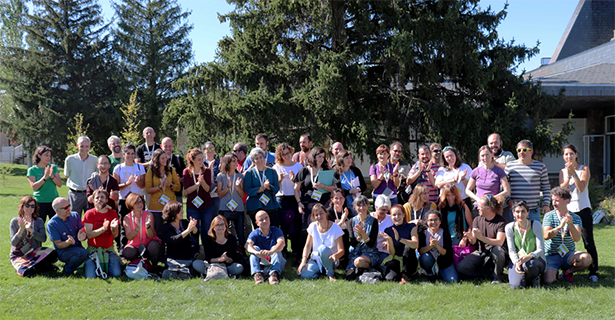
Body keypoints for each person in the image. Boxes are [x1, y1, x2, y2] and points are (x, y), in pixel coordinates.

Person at [559, 144, 598, 282]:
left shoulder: (584, 169)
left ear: (576, 155)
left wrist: (574, 174)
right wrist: (568, 176)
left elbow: (581, 188)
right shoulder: (562, 171)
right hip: (569, 212)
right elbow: (561, 191)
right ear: (563, 156)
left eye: (571, 154)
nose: (569, 156)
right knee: (566, 240)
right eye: (566, 154)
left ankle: (593, 271)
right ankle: (566, 269)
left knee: (588, 242)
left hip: (583, 209)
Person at [542, 187, 592, 284]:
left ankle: (568, 272)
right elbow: (546, 236)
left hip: (568, 254)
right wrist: (560, 226)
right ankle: (554, 272)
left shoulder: (576, 217)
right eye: (553, 200)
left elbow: (577, 238)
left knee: (586, 258)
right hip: (551, 255)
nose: (554, 203)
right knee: (549, 281)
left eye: (557, 201)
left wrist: (570, 224)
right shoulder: (549, 216)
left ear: (567, 201)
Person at [457, 195, 507, 283]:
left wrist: (482, 238)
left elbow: (499, 242)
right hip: (481, 252)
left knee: (498, 250)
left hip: (494, 253)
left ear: (488, 208)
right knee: (461, 268)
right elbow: (474, 241)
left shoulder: (501, 221)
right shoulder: (477, 219)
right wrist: (470, 238)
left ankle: (497, 277)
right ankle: (486, 273)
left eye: (480, 206)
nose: (477, 208)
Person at [10, 196, 57, 276]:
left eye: (32, 206)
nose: (30, 208)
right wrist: (21, 230)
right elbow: (13, 243)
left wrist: (31, 230)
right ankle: (27, 266)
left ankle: (34, 265)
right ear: (22, 207)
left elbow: (43, 239)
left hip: (35, 252)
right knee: (29, 274)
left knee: (53, 253)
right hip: (20, 254)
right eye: (27, 205)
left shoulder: (39, 221)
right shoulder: (15, 222)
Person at [505, 139, 551, 222]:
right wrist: (508, 200)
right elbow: (503, 185)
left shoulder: (540, 166)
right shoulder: (510, 166)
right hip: (516, 211)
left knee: (534, 234)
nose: (521, 152)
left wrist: (546, 204)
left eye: (525, 150)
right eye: (519, 150)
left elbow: (546, 187)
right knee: (516, 235)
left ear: (531, 152)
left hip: (533, 211)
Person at [159, 201, 206, 279]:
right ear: (174, 212)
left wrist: (193, 228)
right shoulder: (165, 227)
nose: (182, 212)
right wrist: (188, 230)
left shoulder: (184, 222)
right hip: (173, 257)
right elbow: (173, 240)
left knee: (193, 270)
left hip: (188, 256)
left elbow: (195, 234)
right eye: (180, 210)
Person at [298, 204, 345, 281]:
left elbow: (341, 250)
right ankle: (322, 271)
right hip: (316, 260)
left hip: (331, 259)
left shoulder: (336, 228)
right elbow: (308, 246)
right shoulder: (312, 226)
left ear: (326, 213)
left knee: (322, 249)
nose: (319, 216)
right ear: (314, 216)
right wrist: (303, 261)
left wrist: (335, 255)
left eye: (321, 213)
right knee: (304, 274)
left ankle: (330, 274)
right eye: (316, 215)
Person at [113, 143, 146, 251]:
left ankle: (141, 248)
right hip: (124, 200)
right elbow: (116, 186)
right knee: (124, 225)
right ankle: (123, 250)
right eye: (128, 153)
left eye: (132, 153)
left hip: (138, 200)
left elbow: (143, 185)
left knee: (140, 223)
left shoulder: (140, 167)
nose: (131, 156)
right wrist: (127, 184)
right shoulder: (118, 168)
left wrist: (138, 181)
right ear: (123, 154)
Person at [272, 143, 304, 255]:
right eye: (284, 154)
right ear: (280, 156)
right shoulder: (276, 167)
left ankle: (296, 250)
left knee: (296, 224)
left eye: (288, 153)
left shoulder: (298, 166)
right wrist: (279, 180)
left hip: (295, 198)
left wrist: (294, 179)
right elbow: (274, 187)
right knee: (283, 225)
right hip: (281, 198)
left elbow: (302, 184)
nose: (287, 156)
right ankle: (283, 250)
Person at [506, 201, 545, 289]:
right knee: (516, 286)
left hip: (535, 260)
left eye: (523, 211)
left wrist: (530, 256)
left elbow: (541, 249)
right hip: (518, 260)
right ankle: (524, 277)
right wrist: (516, 263)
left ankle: (535, 277)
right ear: (513, 213)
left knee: (530, 264)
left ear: (528, 213)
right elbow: (511, 250)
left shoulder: (535, 224)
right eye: (517, 212)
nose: (520, 214)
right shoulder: (509, 227)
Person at [83, 189, 122, 278]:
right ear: (93, 200)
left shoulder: (112, 213)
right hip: (93, 250)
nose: (99, 199)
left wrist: (113, 228)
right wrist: (103, 229)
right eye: (97, 198)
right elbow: (88, 234)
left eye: (102, 197)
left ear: (107, 200)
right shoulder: (89, 213)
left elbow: (115, 235)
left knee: (117, 274)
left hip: (109, 250)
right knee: (90, 276)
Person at [294, 146, 336, 230]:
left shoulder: (326, 170)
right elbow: (296, 189)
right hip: (308, 205)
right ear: (313, 157)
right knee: (309, 230)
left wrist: (323, 186)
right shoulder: (304, 171)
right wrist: (299, 203)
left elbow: (334, 188)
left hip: (324, 204)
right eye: (319, 156)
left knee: (324, 229)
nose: (321, 159)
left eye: (323, 157)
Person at [47, 197, 89, 275]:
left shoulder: (75, 215)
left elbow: (82, 230)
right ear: (57, 210)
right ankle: (67, 270)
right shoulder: (52, 224)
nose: (69, 208)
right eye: (65, 208)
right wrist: (68, 242)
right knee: (83, 253)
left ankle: (77, 266)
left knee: (86, 254)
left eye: (69, 205)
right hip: (64, 252)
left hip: (78, 248)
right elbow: (59, 245)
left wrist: (82, 234)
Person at [183, 148, 213, 255]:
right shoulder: (187, 172)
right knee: (194, 229)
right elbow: (187, 190)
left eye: (202, 159)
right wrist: (197, 184)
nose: (202, 162)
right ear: (192, 160)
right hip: (192, 206)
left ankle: (207, 253)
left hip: (206, 206)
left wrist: (202, 181)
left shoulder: (207, 171)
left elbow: (207, 189)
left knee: (206, 230)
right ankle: (194, 253)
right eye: (199, 159)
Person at [145, 149, 181, 235]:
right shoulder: (151, 171)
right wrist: (159, 186)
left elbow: (178, 187)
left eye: (166, 158)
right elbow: (148, 190)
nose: (165, 160)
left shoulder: (171, 170)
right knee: (158, 231)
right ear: (157, 160)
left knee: (172, 231)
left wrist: (170, 184)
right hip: (156, 207)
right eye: (162, 158)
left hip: (170, 206)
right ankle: (159, 248)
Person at [380, 204, 419, 283]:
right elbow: (392, 252)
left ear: (404, 215)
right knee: (390, 279)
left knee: (408, 247)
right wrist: (389, 240)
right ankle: (400, 274)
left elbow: (415, 245)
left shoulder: (411, 226)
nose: (397, 217)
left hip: (410, 261)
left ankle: (406, 274)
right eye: (394, 215)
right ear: (390, 216)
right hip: (396, 260)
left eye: (399, 214)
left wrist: (400, 239)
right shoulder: (388, 230)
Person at [246, 210, 286, 285]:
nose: (265, 221)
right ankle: (257, 275)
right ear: (257, 223)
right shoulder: (254, 233)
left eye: (266, 218)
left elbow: (282, 242)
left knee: (275, 248)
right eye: (261, 220)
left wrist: (271, 252)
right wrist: (256, 253)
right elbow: (247, 245)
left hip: (277, 263)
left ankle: (273, 275)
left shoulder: (276, 230)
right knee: (254, 248)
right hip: (262, 264)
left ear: (269, 219)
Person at [122, 193, 162, 267]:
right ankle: (138, 263)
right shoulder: (127, 218)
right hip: (135, 245)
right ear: (131, 204)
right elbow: (129, 237)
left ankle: (154, 266)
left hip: (149, 244)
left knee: (154, 245)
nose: (140, 204)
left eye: (140, 202)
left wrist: (148, 226)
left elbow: (151, 235)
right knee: (127, 252)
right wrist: (137, 229)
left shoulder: (149, 215)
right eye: (136, 203)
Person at [244, 147, 281, 228]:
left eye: (261, 157)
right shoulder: (250, 173)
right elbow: (248, 190)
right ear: (253, 161)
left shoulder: (272, 171)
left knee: (274, 229)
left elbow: (277, 188)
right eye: (257, 158)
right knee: (259, 232)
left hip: (271, 205)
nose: (260, 160)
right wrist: (260, 189)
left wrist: (268, 187)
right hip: (255, 206)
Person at [417, 210, 458, 282]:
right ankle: (430, 273)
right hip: (429, 259)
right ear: (427, 221)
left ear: (440, 221)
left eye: (436, 219)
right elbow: (420, 251)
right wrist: (430, 246)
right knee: (425, 257)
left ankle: (440, 272)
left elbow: (446, 253)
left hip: (444, 262)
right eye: (430, 220)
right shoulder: (423, 232)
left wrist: (437, 246)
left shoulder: (445, 233)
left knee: (453, 280)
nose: (433, 222)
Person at [345, 195, 380, 280]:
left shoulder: (374, 221)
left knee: (358, 262)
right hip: (355, 253)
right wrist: (359, 237)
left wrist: (363, 234)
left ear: (368, 206)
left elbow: (371, 244)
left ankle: (364, 269)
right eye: (359, 205)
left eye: (364, 205)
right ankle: (363, 271)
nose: (361, 208)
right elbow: (352, 243)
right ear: (355, 206)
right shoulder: (351, 221)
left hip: (369, 253)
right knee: (349, 277)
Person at [64, 136, 98, 216]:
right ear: (77, 145)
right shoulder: (70, 159)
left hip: (90, 194)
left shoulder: (95, 160)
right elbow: (66, 175)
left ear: (89, 146)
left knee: (90, 218)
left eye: (87, 146)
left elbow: (96, 177)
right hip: (75, 194)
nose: (84, 149)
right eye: (81, 146)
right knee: (73, 218)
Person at [217, 153, 246, 245]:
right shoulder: (221, 176)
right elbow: (220, 194)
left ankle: (242, 252)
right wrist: (228, 187)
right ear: (227, 163)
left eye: (236, 160)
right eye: (233, 161)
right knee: (224, 232)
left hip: (238, 208)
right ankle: (225, 250)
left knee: (240, 232)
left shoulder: (240, 176)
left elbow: (242, 195)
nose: (236, 163)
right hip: (224, 208)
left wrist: (238, 187)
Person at [27, 146, 62, 222]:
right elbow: (34, 187)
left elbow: (59, 184)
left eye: (49, 156)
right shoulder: (32, 170)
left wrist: (52, 176)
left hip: (54, 201)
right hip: (40, 202)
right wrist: (45, 177)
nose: (48, 158)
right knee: (39, 225)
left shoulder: (53, 167)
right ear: (39, 155)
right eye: (46, 155)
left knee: (56, 224)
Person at [435, 146, 473, 210]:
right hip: (447, 202)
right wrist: (453, 180)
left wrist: (463, 178)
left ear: (455, 155)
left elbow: (471, 187)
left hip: (463, 200)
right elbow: (439, 185)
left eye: (451, 155)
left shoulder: (465, 167)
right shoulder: (442, 170)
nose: (450, 158)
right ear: (444, 158)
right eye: (447, 157)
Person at [334, 150, 366, 214]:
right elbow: (337, 191)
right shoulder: (337, 174)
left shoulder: (355, 170)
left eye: (350, 158)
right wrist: (349, 191)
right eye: (347, 158)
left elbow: (364, 186)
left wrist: (358, 189)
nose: (349, 160)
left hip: (359, 203)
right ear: (341, 160)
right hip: (346, 204)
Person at [327, 189, 351, 266]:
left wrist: (346, 221)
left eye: (341, 198)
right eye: (336, 198)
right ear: (332, 199)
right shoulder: (329, 212)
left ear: (344, 199)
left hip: (345, 238)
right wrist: (342, 221)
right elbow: (330, 231)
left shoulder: (347, 211)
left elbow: (350, 231)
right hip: (332, 239)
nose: (339, 200)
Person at [372, 195, 394, 273]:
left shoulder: (390, 219)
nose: (385, 212)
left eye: (387, 210)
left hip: (383, 250)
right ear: (376, 207)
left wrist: (388, 242)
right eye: (383, 210)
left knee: (383, 268)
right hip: (370, 249)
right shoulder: (369, 218)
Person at [162, 137, 186, 205]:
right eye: (165, 146)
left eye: (170, 146)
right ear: (161, 146)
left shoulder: (179, 159)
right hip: (163, 194)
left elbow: (185, 177)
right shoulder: (158, 161)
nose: (168, 148)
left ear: (173, 146)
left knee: (177, 214)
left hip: (176, 194)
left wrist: (180, 179)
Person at [203, 141, 221, 218]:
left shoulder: (219, 162)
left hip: (216, 194)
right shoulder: (201, 162)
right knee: (205, 218)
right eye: (208, 148)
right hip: (204, 194)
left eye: (212, 148)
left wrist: (222, 170)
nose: (210, 150)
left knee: (216, 217)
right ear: (204, 150)